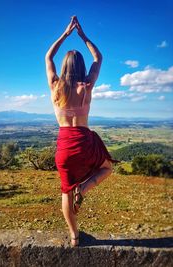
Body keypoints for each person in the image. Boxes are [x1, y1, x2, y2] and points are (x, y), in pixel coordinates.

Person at [45, 16, 119, 247]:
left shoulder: (55, 86)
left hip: (65, 145)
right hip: (85, 142)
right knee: (106, 168)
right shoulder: (86, 86)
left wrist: (65, 34)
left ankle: (74, 236)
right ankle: (85, 187)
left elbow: (48, 57)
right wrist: (83, 35)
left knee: (65, 192)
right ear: (81, 67)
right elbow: (98, 58)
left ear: (64, 67)